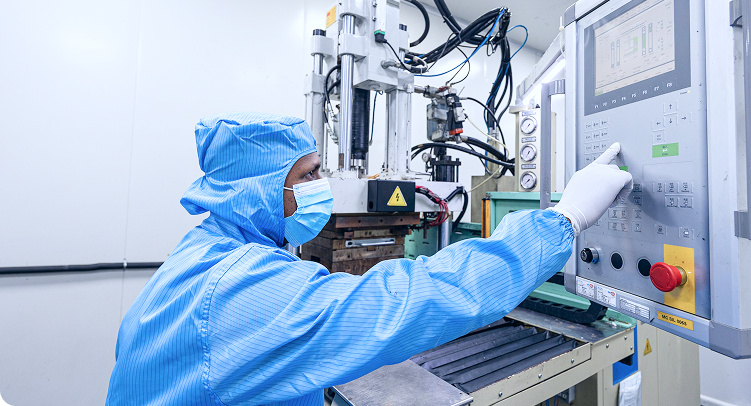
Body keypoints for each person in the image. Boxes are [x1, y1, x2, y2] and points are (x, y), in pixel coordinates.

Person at [106, 112, 633, 406]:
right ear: (261, 187)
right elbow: (405, 301)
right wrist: (562, 220)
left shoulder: (204, 253)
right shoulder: (237, 290)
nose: (324, 186)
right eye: (309, 174)